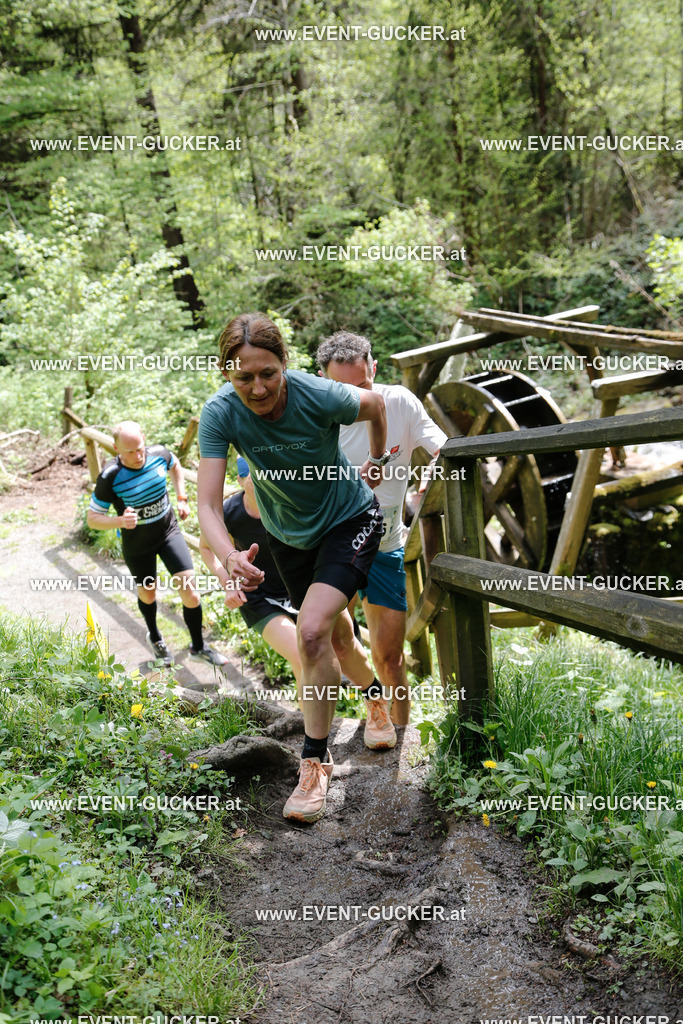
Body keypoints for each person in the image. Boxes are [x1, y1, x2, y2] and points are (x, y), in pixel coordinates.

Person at [197, 312, 394, 824]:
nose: (257, 387)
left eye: (268, 373)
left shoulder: (319, 394)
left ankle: (314, 763)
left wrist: (375, 461)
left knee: (310, 634)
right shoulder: (219, 415)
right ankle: (374, 697)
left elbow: (375, 404)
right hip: (290, 535)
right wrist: (231, 555)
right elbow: (209, 508)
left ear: (285, 365)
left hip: (350, 516)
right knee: (335, 635)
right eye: (243, 377)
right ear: (226, 374)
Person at [316, 331, 447, 726]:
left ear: (374, 369)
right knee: (337, 641)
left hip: (386, 547)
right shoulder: (313, 417)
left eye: (363, 385)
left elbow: (444, 446)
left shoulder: (401, 402)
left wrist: (436, 469)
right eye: (343, 390)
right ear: (323, 381)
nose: (357, 399)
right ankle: (368, 710)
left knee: (390, 656)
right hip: (334, 545)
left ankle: (402, 741)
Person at [87, 420, 228, 668]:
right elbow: (93, 519)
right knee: (148, 593)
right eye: (129, 451)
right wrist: (119, 521)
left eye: (140, 448)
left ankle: (199, 647)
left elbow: (175, 466)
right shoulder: (110, 476)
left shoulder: (159, 454)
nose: (137, 456)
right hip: (138, 544)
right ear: (115, 448)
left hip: (168, 533)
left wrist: (181, 497)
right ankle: (155, 637)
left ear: (145, 439)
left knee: (191, 593)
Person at [199, 456, 301, 684]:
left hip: (298, 591)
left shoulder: (290, 503)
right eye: (255, 477)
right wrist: (229, 583)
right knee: (303, 655)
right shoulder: (228, 513)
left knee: (303, 664)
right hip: (259, 598)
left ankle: (308, 719)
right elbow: (205, 548)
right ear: (240, 480)